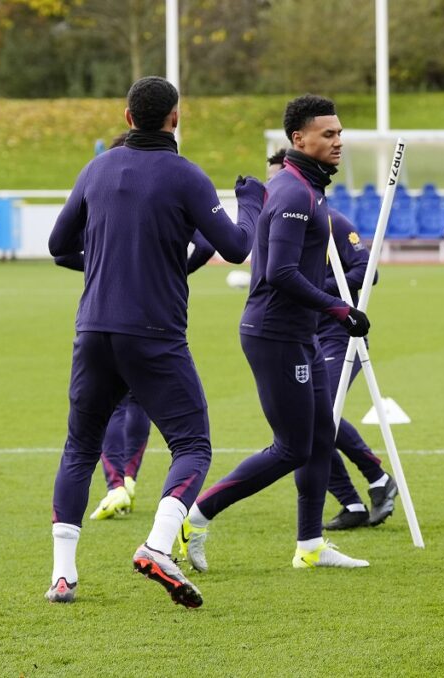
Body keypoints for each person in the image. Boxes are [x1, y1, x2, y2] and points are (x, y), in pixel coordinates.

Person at [45, 76, 262, 608]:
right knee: (192, 444)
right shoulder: (185, 175)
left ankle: (63, 577)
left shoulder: (96, 169)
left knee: (79, 447)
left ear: (126, 118)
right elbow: (235, 247)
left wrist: (105, 265)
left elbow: (58, 246)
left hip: (93, 330)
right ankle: (157, 547)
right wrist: (251, 202)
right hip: (154, 334)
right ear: (175, 118)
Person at [177, 95, 371, 573]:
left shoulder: (309, 188)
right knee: (291, 447)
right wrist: (339, 308)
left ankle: (310, 544)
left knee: (321, 436)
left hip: (300, 332)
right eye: (328, 134)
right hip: (275, 334)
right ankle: (196, 516)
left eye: (339, 132)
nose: (338, 141)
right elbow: (281, 272)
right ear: (298, 139)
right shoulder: (291, 194)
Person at [54, 130, 219, 522]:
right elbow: (215, 245)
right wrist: (174, 269)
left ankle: (111, 495)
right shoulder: (173, 181)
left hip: (98, 321)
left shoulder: (100, 176)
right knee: (176, 430)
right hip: (153, 322)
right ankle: (134, 492)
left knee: (85, 437)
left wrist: (101, 264)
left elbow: (59, 250)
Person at [266, 149, 398, 531]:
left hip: (341, 337)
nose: (276, 189)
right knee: (303, 425)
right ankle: (352, 503)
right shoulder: (282, 224)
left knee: (320, 415)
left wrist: (312, 289)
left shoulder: (332, 222)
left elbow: (366, 271)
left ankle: (377, 477)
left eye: (280, 180)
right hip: (301, 336)